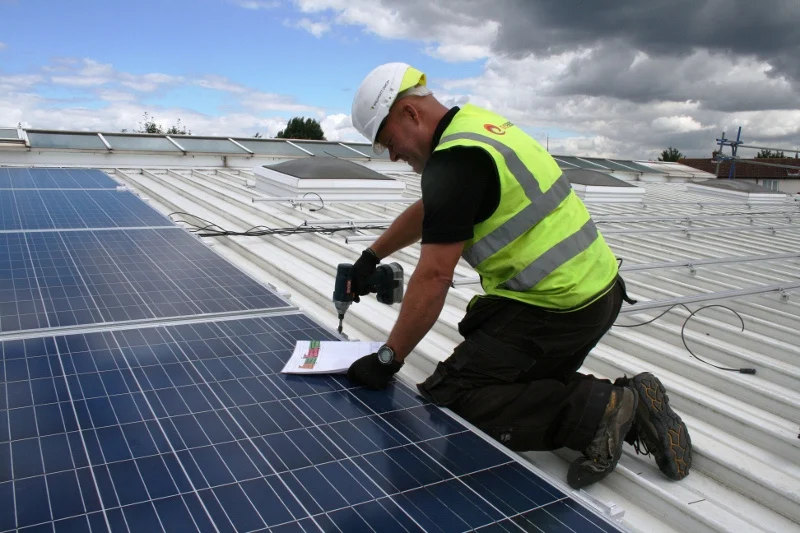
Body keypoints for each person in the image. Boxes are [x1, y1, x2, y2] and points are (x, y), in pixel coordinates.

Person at [344, 62, 692, 489]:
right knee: (511, 382)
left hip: (555, 310)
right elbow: (432, 208)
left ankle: (608, 407)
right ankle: (631, 405)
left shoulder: (456, 160)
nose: (394, 156)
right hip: (599, 295)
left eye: (389, 142)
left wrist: (389, 358)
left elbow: (433, 277)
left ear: (409, 114)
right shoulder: (478, 127)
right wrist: (372, 255)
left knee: (457, 397)